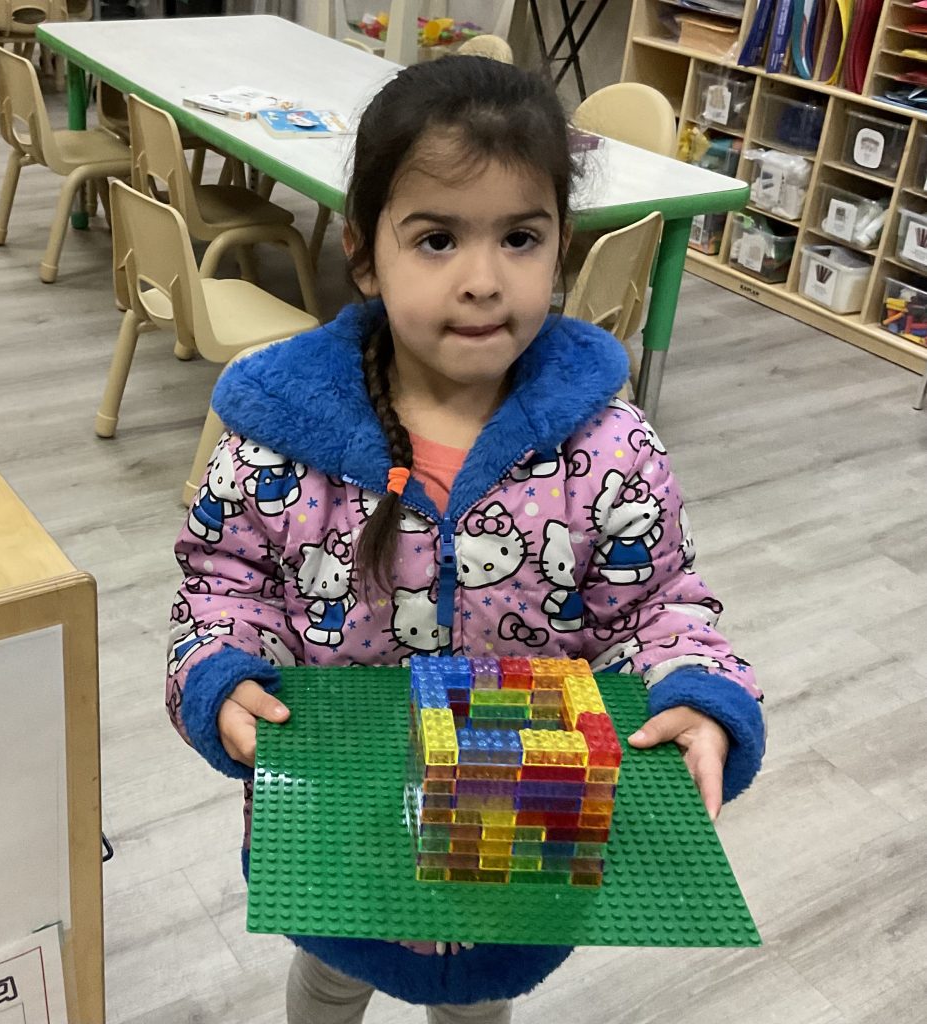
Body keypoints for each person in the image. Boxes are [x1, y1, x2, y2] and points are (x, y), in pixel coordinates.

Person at [166, 55, 765, 1024]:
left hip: (519, 850)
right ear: (365, 253)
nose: (483, 282)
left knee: (480, 1004)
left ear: (560, 248)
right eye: (437, 239)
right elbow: (222, 584)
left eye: (520, 238)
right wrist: (220, 671)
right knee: (330, 980)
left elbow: (657, 607)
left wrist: (697, 691)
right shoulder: (278, 444)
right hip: (344, 833)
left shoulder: (610, 448)